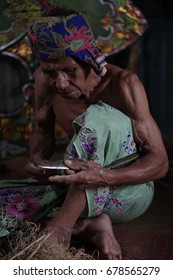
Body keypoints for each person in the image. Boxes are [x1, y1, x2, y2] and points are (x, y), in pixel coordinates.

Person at [24, 10, 168, 259]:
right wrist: (37, 158)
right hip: (76, 190)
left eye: (69, 70)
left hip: (125, 192)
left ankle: (64, 227)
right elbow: (42, 133)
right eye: (50, 72)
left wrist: (106, 177)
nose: (60, 83)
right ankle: (92, 226)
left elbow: (161, 163)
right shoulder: (44, 82)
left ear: (89, 57)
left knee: (99, 118)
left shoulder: (124, 85)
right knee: (8, 205)